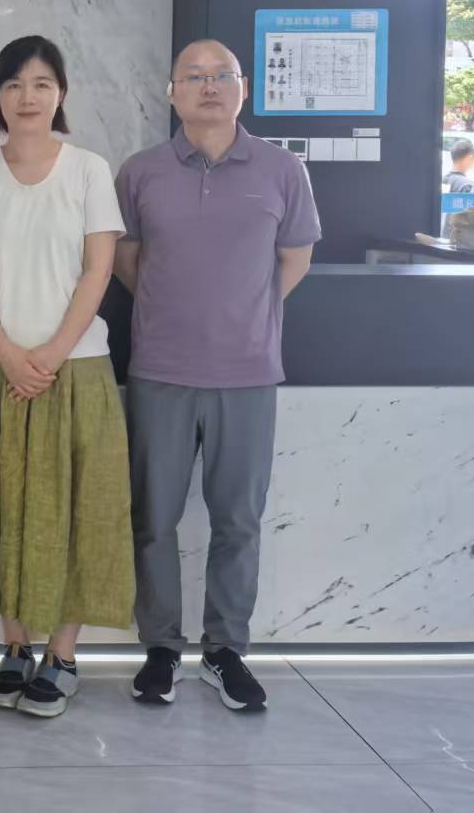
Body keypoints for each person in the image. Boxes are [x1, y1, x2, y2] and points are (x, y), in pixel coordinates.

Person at [113, 39, 320, 714]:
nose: (208, 86)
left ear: (244, 88)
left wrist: (245, 312)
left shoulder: (282, 169)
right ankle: (161, 648)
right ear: (171, 91)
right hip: (161, 369)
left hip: (247, 372)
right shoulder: (140, 172)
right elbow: (126, 258)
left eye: (221, 75)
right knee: (154, 517)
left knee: (239, 519)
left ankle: (225, 649)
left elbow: (295, 257)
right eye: (194, 76)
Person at [0, 35, 134, 720]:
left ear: (61, 94)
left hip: (75, 367)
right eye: (14, 84)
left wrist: (50, 353)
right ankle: (16, 646)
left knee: (80, 507)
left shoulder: (88, 170)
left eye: (42, 83)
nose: (28, 96)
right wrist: (5, 352)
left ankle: (64, 654)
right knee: (1, 503)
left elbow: (98, 269)